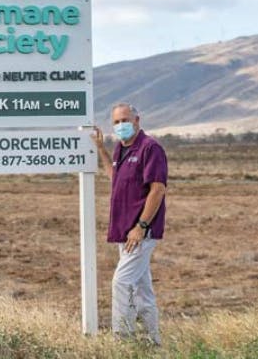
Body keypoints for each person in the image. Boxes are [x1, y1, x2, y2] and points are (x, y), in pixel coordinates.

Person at [93, 103, 167, 345]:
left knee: (122, 282)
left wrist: (141, 226)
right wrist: (101, 150)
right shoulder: (120, 149)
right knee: (142, 290)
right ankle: (152, 342)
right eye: (116, 122)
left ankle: (122, 341)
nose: (120, 125)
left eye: (125, 120)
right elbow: (115, 178)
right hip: (125, 231)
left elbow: (158, 189)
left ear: (137, 120)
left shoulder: (150, 148)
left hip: (140, 232)